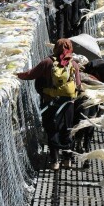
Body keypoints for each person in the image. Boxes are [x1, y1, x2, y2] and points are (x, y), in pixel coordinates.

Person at [17, 39, 81, 170]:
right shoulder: (73, 64)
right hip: (68, 104)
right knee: (67, 129)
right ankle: (67, 159)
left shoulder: (47, 62)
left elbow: (30, 75)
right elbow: (79, 85)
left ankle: (55, 160)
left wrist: (15, 75)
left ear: (56, 48)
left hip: (50, 102)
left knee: (52, 129)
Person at [74, 59, 104, 168]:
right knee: (90, 128)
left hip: (99, 92)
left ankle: (76, 146)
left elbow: (86, 74)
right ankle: (87, 154)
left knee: (80, 123)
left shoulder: (94, 65)